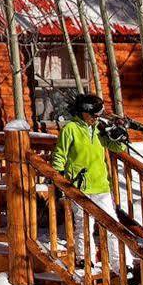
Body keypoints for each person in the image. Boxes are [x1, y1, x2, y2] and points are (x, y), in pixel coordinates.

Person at [52, 92, 121, 223]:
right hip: (79, 186)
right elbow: (59, 155)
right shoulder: (70, 129)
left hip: (101, 185)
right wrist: (59, 179)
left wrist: (119, 137)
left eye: (98, 116)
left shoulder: (100, 129)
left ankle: (113, 245)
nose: (95, 118)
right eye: (93, 115)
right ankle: (84, 245)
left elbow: (116, 148)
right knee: (84, 227)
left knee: (112, 225)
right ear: (84, 111)